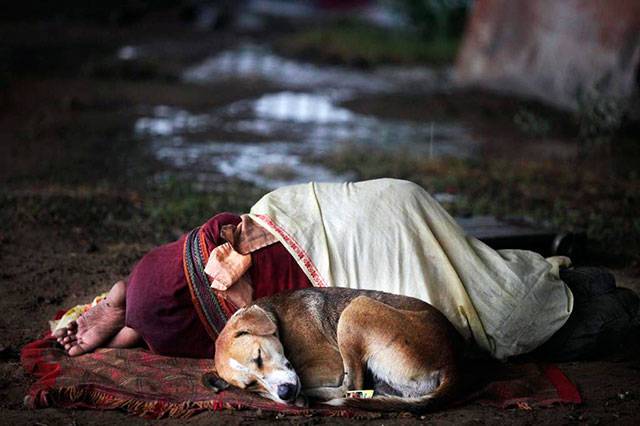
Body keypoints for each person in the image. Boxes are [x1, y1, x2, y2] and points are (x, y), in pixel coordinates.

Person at [55, 179, 638, 360]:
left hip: (372, 225)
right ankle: (568, 294)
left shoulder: (197, 313)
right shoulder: (165, 289)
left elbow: (146, 306)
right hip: (375, 213)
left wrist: (115, 315)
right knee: (526, 300)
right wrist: (116, 312)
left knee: (500, 302)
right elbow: (143, 301)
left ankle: (555, 291)